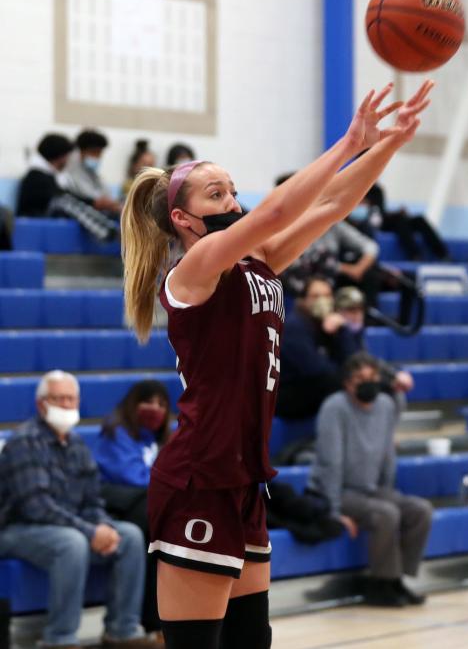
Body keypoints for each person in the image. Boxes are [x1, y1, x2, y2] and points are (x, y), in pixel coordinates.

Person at [119, 80, 433, 648]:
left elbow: (335, 204)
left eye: (233, 191)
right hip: (199, 477)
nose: (232, 202)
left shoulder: (257, 260)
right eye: (216, 195)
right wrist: (349, 142)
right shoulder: (191, 272)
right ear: (184, 221)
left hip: (245, 476)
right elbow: (279, 207)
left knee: (251, 641)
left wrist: (388, 144)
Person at [0, 370, 159, 648]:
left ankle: (122, 630)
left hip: (67, 525)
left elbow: (93, 500)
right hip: (18, 529)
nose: (66, 405)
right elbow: (37, 508)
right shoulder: (23, 442)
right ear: (41, 404)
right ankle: (59, 639)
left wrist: (102, 526)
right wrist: (90, 531)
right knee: (72, 543)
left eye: (71, 399)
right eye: (59, 399)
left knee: (130, 535)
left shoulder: (76, 444)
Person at [307, 353, 432, 607]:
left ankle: (395, 579)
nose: (367, 384)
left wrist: (387, 489)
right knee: (386, 514)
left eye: (372, 377)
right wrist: (333, 510)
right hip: (336, 490)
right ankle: (379, 585)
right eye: (359, 379)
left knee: (420, 511)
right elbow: (332, 463)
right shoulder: (335, 407)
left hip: (371, 488)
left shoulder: (385, 404)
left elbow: (387, 449)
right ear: (347, 383)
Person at [93, 380, 173, 638]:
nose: (155, 408)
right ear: (132, 404)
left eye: (161, 404)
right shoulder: (116, 431)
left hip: (145, 504)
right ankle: (151, 622)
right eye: (148, 401)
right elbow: (131, 476)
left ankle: (162, 620)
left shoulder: (163, 440)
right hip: (114, 503)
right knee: (154, 521)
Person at [16, 133, 118, 241]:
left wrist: (95, 203)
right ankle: (109, 232)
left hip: (47, 217)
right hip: (35, 221)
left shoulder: (52, 177)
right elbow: (64, 199)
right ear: (61, 157)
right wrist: (94, 203)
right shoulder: (36, 177)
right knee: (66, 203)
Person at [321, 286, 416, 397]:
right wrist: (391, 380)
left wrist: (394, 374)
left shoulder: (356, 332)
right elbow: (353, 360)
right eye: (351, 310)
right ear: (337, 311)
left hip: (352, 383)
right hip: (336, 389)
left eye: (360, 309)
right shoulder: (337, 331)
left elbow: (366, 358)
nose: (357, 315)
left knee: (395, 389)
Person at [275, 276, 344, 420]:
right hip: (288, 394)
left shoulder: (331, 322)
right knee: (344, 386)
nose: (322, 301)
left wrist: (343, 331)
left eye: (327, 295)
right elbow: (314, 369)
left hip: (315, 389)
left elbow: (353, 358)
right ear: (303, 300)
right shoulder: (294, 326)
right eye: (316, 296)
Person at [352, 182, 450, 260]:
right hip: (369, 224)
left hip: (380, 219)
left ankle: (442, 254)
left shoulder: (377, 190)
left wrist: (396, 212)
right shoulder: (355, 187)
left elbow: (380, 212)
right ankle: (415, 255)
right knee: (400, 220)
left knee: (419, 220)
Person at [62, 129, 122, 215]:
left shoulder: (91, 171)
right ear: (81, 151)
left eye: (100, 153)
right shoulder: (70, 169)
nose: (97, 156)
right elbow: (88, 195)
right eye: (94, 152)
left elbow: (106, 193)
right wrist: (107, 202)